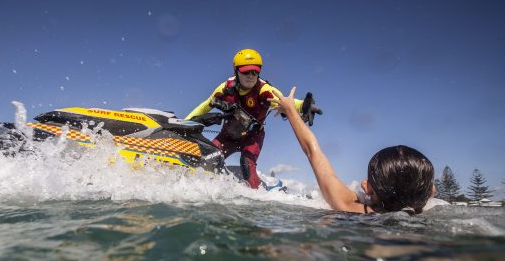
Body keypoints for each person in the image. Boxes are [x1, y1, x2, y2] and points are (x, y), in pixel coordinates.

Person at [270, 87, 435, 214]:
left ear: (367, 188)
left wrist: (290, 110)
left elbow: (312, 151)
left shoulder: (351, 208)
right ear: (430, 192)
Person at [185, 49, 321, 189]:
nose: (251, 76)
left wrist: (303, 106)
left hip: (253, 137)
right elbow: (204, 106)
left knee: (246, 164)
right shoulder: (224, 88)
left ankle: (261, 194)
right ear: (236, 71)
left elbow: (284, 102)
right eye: (246, 72)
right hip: (228, 136)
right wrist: (183, 124)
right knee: (207, 159)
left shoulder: (265, 90)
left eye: (255, 72)